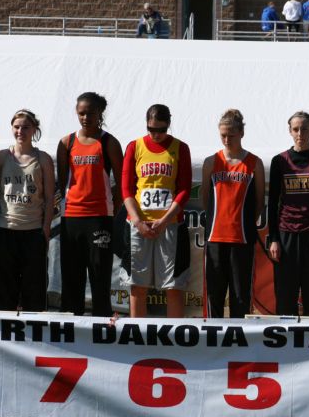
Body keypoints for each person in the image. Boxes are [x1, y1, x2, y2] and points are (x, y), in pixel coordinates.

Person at [56, 92, 123, 317]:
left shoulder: (109, 142)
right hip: (71, 217)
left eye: (90, 113)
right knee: (72, 275)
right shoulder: (66, 142)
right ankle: (71, 322)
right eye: (81, 113)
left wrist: (111, 206)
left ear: (99, 113)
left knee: (99, 274)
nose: (85, 117)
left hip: (99, 217)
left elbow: (123, 183)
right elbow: (63, 183)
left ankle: (102, 321)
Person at [122, 104, 192, 318]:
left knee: (173, 287)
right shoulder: (135, 146)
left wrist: (164, 220)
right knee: (138, 286)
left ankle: (175, 338)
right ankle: (137, 334)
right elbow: (126, 189)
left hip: (169, 225)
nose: (156, 134)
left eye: (161, 129)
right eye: (151, 129)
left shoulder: (180, 148)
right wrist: (138, 222)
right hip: (138, 225)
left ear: (169, 125)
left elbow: (184, 189)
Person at [268, 111, 309, 316]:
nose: (300, 133)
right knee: (285, 297)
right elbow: (272, 203)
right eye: (296, 129)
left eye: (304, 128)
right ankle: (286, 343)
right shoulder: (279, 161)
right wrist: (273, 239)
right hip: (286, 235)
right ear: (290, 131)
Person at [0, 110, 55, 312]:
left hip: (33, 231)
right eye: (16, 126)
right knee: (4, 290)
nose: (20, 131)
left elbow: (50, 197)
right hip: (5, 228)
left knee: (33, 290)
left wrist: (46, 228)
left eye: (25, 127)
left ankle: (33, 338)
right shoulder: (0, 157)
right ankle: (3, 335)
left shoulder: (43, 159)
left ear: (34, 129)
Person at [201, 109, 265, 318]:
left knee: (240, 296)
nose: (227, 139)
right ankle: (214, 341)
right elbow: (204, 198)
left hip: (242, 238)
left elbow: (258, 201)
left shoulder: (254, 163)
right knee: (215, 295)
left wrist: (244, 223)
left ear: (241, 134)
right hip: (215, 238)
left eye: (231, 134)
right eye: (223, 135)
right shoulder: (211, 162)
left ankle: (238, 344)